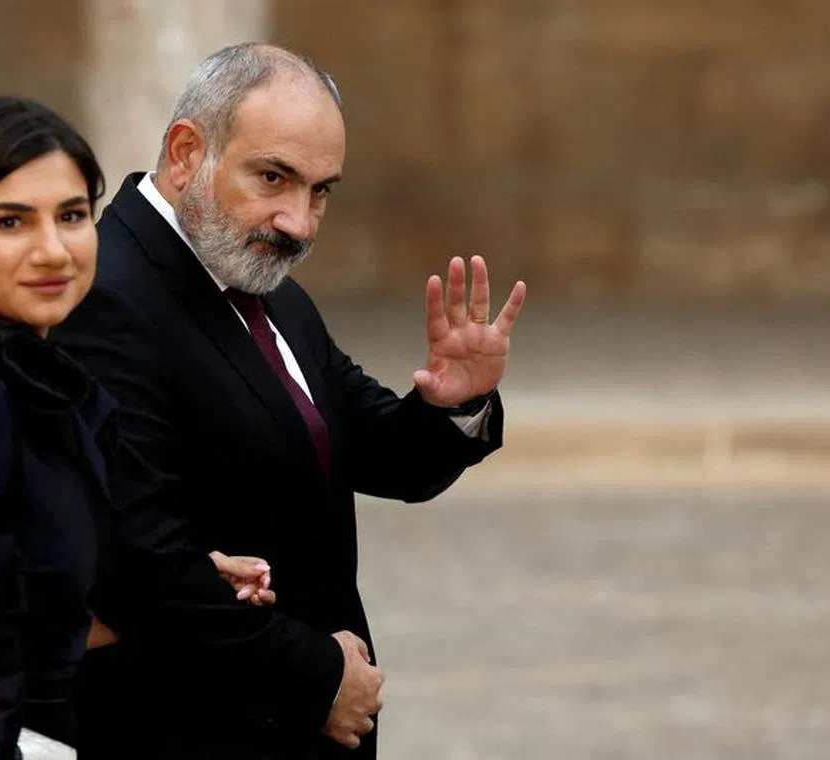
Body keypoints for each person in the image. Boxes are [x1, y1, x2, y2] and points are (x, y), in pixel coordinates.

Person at [0, 95, 345, 760]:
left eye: (71, 216)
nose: (52, 250)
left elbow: (20, 586)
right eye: (10, 223)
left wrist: (182, 579)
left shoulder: (28, 375)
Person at [51, 43, 527, 759]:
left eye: (321, 191)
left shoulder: (261, 282)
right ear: (186, 154)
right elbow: (144, 563)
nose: (299, 222)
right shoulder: (106, 294)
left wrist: (456, 403)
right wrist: (318, 679)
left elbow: (376, 453)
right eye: (273, 178)